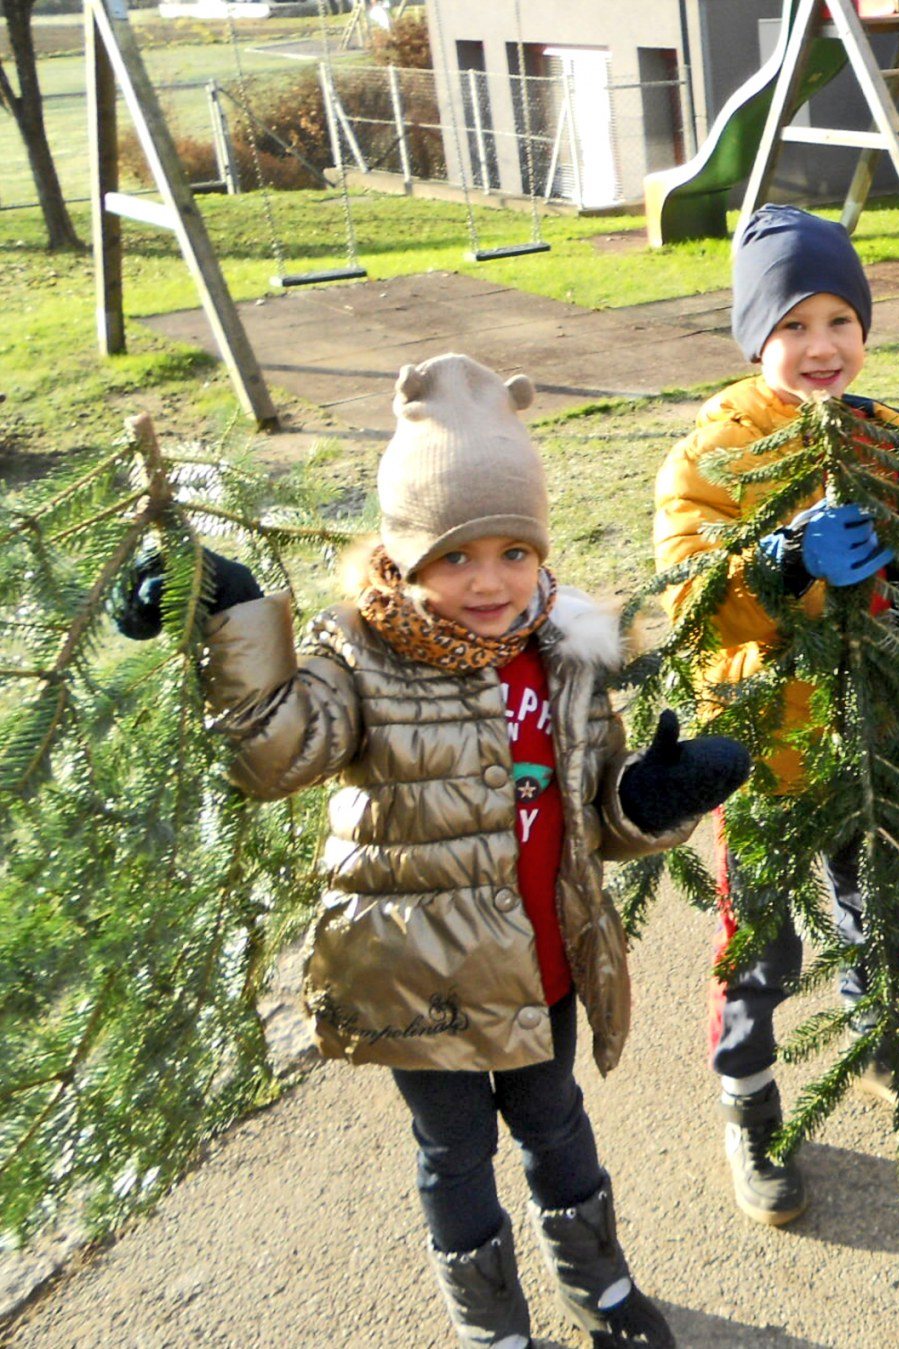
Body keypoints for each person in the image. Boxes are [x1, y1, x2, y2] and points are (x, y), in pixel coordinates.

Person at [116, 354, 749, 1349]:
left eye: (512, 550)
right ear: (405, 559)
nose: (489, 580)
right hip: (422, 980)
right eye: (455, 556)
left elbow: (596, 816)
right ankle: (491, 1322)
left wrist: (654, 799)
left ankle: (604, 1288)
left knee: (559, 1126)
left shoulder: (568, 656)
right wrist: (232, 617)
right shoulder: (362, 659)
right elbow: (275, 753)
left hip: (544, 964)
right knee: (454, 1152)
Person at [653, 205, 899, 1227]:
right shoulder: (714, 454)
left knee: (874, 907)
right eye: (793, 323)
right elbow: (691, 595)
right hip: (763, 750)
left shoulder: (898, 440)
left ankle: (883, 1040)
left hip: (869, 740)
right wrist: (780, 560)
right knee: (760, 945)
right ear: (756, 338)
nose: (821, 345)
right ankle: (749, 1100)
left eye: (840, 318)